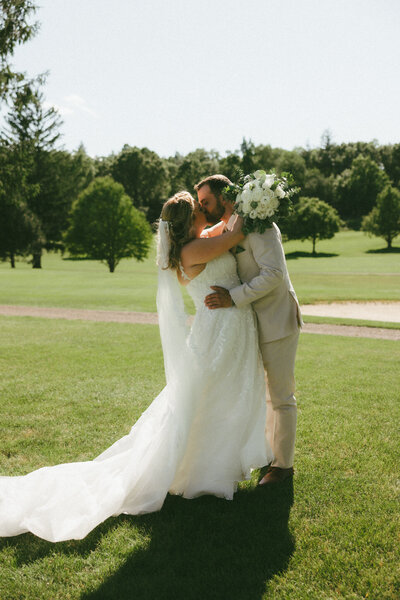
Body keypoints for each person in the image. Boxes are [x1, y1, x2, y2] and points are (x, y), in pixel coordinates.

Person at [0, 191, 273, 543]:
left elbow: (224, 228)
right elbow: (235, 234)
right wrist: (258, 201)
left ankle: (215, 467)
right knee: (213, 399)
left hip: (227, 328)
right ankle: (205, 473)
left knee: (220, 397)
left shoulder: (200, 241)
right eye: (199, 208)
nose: (206, 210)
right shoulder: (194, 251)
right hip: (218, 333)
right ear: (190, 221)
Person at [195, 175, 302, 485]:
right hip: (253, 325)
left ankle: (282, 467)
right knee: (265, 395)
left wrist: (233, 298)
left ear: (224, 197)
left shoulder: (259, 225)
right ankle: (271, 457)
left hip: (277, 319)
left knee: (281, 396)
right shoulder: (232, 227)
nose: (203, 207)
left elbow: (274, 274)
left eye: (206, 202)